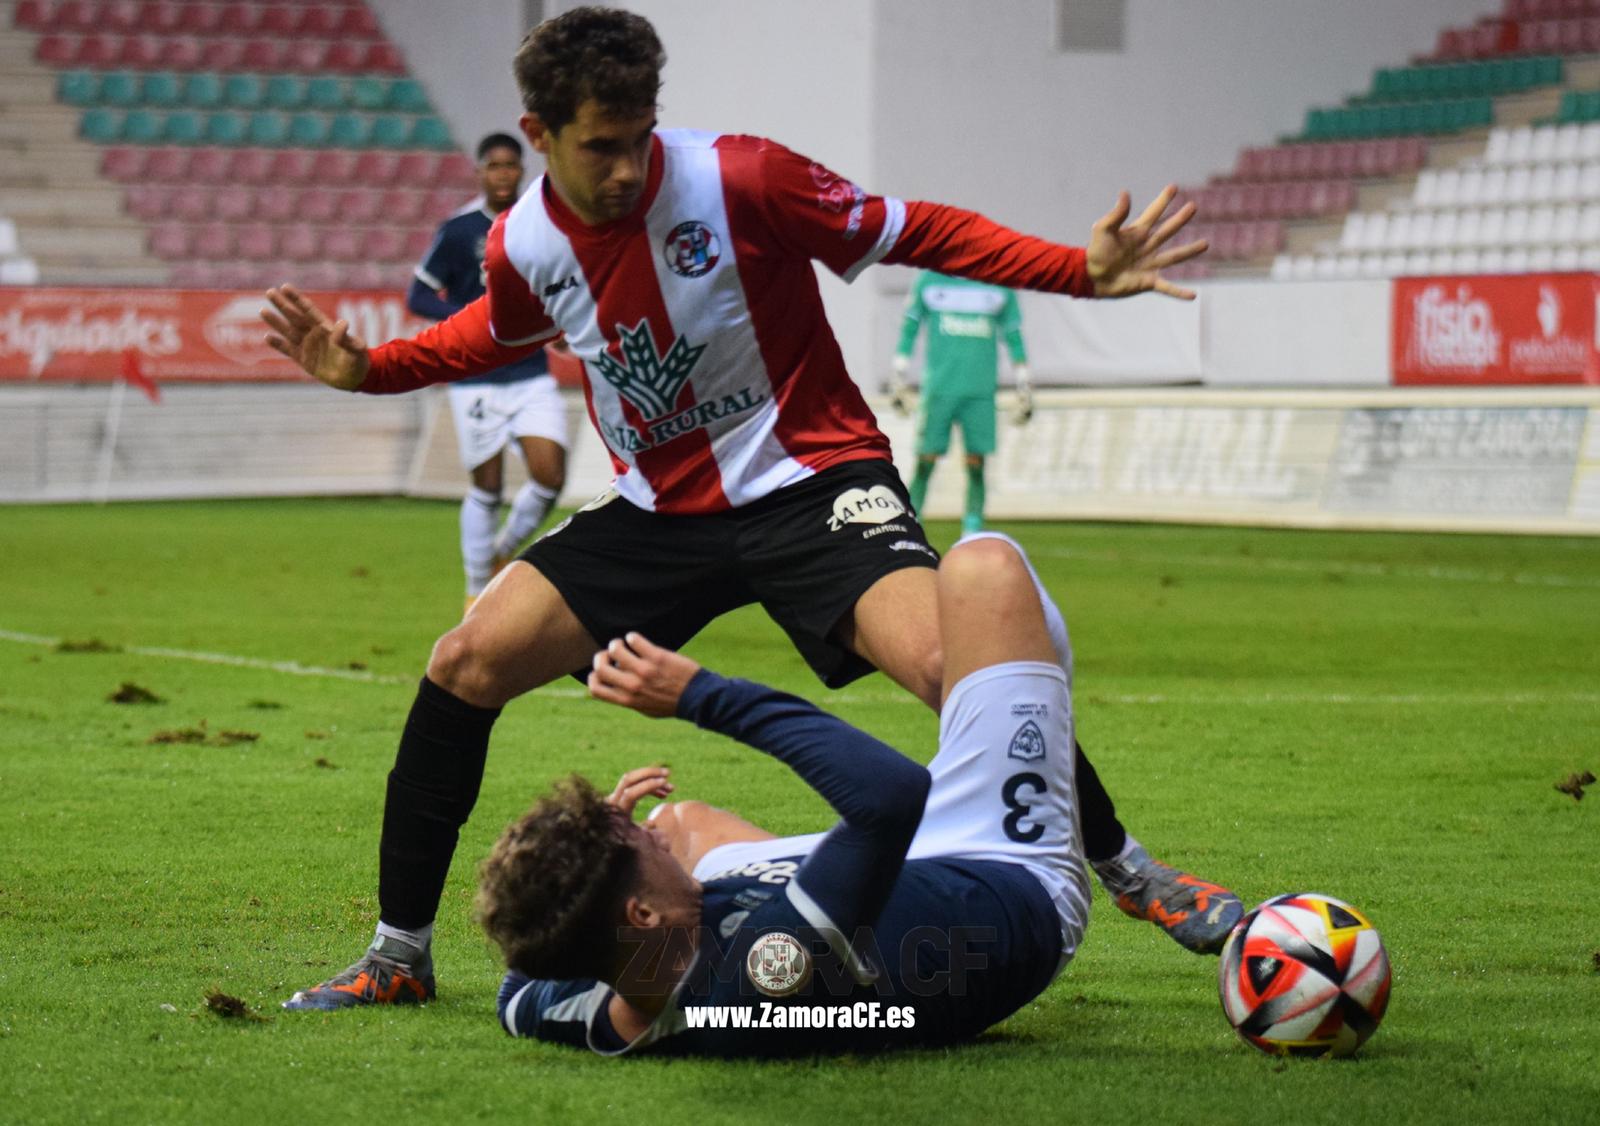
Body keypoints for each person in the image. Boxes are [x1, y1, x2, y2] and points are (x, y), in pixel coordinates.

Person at [262, 6, 1236, 1012]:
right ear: (540, 134)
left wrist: (1076, 272)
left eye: (640, 138)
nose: (629, 168)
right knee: (463, 662)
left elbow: (913, 228)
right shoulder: (523, 244)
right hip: (653, 514)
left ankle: (1128, 870)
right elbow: (490, 332)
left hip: (812, 484)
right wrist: (370, 369)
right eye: (602, 146)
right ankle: (398, 954)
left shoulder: (743, 179)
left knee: (955, 663)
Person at [481, 533, 1097, 1055]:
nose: (643, 830)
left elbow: (521, 981)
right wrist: (704, 695)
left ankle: (838, 884)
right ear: (642, 914)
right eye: (636, 843)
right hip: (1007, 873)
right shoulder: (766, 965)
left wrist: (598, 853)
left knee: (682, 824)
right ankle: (1119, 857)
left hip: (887, 883)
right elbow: (890, 798)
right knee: (984, 567)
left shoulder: (592, 1001)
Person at [407, 132, 569, 612]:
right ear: (479, 171)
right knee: (489, 487)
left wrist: (558, 320)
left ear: (522, 170)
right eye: (493, 165)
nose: (502, 174)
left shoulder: (540, 220)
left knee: (550, 475)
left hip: (532, 373)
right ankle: (477, 588)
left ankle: (502, 553)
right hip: (475, 379)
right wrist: (471, 321)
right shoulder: (459, 230)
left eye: (510, 165)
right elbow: (417, 295)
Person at [891, 270, 1029, 535]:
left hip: (980, 389)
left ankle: (973, 527)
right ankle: (910, 519)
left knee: (976, 461)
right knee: (926, 458)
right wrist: (899, 374)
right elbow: (909, 327)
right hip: (939, 389)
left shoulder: (999, 284)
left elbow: (1013, 333)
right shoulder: (929, 281)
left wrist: (1024, 381)